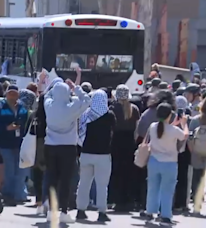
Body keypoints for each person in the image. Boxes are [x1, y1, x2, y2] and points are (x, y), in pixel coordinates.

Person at [44, 79, 91, 223]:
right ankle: (64, 211)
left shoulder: (48, 106)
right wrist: (75, 88)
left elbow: (46, 94)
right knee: (65, 180)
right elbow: (87, 100)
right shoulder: (72, 107)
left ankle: (51, 211)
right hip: (68, 147)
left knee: (51, 179)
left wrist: (55, 87)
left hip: (50, 146)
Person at [144, 103, 188, 225]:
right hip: (169, 163)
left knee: (153, 187)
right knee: (167, 190)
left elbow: (163, 130)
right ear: (170, 115)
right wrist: (183, 123)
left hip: (153, 161)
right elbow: (184, 135)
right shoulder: (174, 130)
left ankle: (150, 211)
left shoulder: (152, 126)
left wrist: (173, 124)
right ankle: (165, 215)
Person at [76, 89, 115, 222]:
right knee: (102, 185)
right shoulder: (109, 115)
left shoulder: (86, 114)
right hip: (103, 154)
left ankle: (80, 210)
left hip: (86, 152)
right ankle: (102, 212)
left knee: (83, 183)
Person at [0, 85, 29, 205]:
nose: (12, 96)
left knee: (20, 170)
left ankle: (19, 194)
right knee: (9, 170)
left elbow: (26, 121)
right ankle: (8, 195)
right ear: (6, 94)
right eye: (10, 93)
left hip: (19, 143)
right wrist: (6, 128)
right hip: (5, 143)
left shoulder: (22, 107)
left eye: (14, 94)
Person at [109, 85, 140, 212]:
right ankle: (129, 199)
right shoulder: (135, 109)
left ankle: (117, 200)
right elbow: (137, 130)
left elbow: (110, 129)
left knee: (116, 172)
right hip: (129, 142)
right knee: (129, 172)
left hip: (116, 142)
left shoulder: (113, 108)